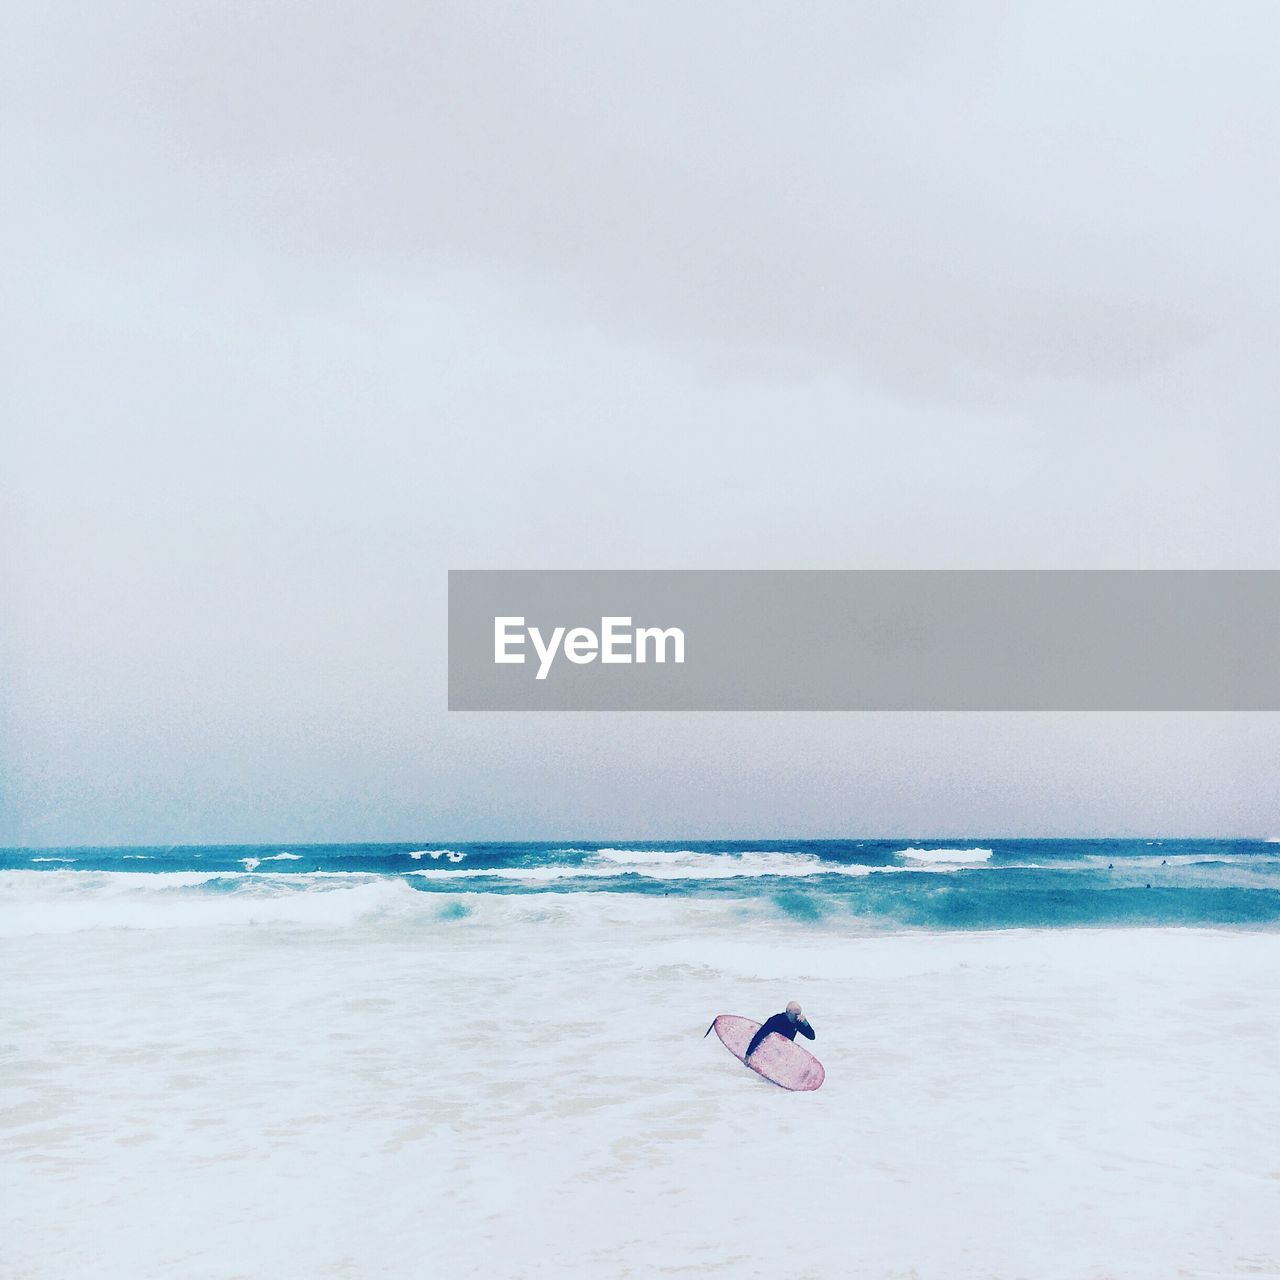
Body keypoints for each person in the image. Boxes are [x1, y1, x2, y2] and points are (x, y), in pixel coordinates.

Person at [745, 1000, 815, 1062]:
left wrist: (805, 1023)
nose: (798, 1017)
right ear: (788, 1012)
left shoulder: (797, 1022)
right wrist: (748, 1054)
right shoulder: (776, 1020)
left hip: (783, 1054)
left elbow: (811, 1036)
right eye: (796, 1014)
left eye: (799, 1014)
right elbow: (759, 1035)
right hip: (769, 1050)